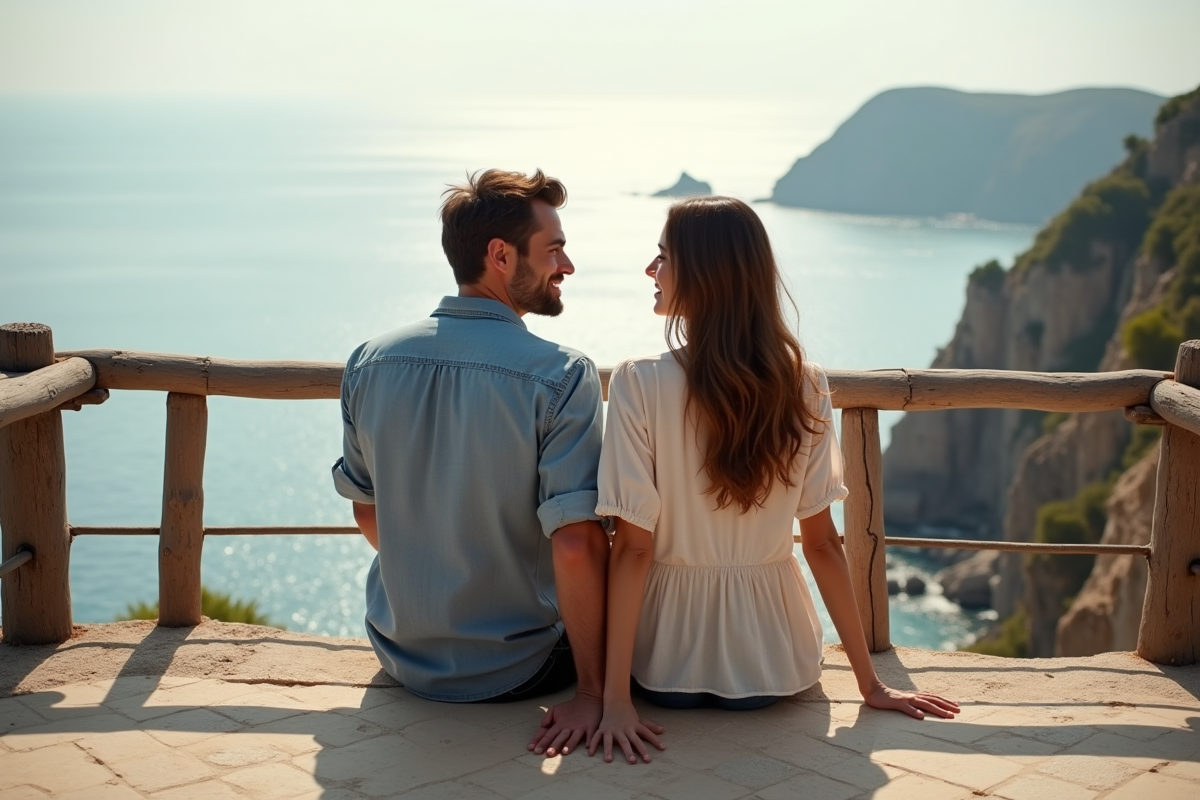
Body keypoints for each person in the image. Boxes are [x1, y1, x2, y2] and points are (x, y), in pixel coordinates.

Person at [588, 197, 959, 765]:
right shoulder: (806, 384)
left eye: (663, 257)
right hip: (776, 666)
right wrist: (871, 684)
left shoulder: (638, 382)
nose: (650, 269)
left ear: (704, 272)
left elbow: (634, 550)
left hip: (664, 665)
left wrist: (616, 701)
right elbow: (822, 544)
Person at [333, 169, 618, 758]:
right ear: (501, 256)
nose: (567, 266)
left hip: (400, 655)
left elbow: (367, 511)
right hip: (521, 667)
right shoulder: (562, 374)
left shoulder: (368, 361)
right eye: (554, 250)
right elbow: (574, 546)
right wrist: (592, 693)